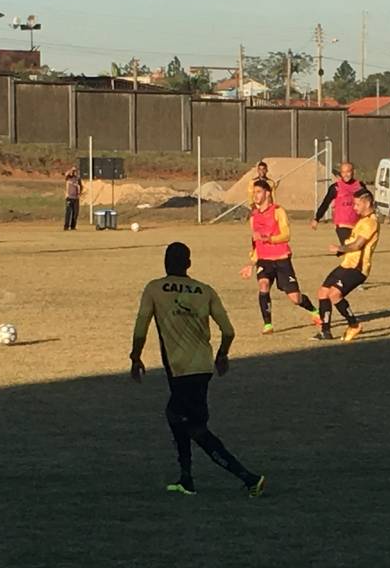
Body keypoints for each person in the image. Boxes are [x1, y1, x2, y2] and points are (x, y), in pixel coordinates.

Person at [129, 242, 266, 498]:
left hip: (180, 370)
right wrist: (222, 355)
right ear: (188, 264)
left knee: (194, 428)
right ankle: (186, 479)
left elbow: (141, 328)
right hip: (203, 367)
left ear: (165, 263)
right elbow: (228, 331)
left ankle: (248, 478)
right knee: (180, 419)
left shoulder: (154, 288)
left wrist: (135, 357)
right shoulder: (205, 290)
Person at [240, 180, 321, 334]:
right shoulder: (253, 217)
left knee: (295, 298)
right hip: (264, 260)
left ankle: (314, 311)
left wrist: (268, 238)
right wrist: (251, 264)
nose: (255, 195)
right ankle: (268, 324)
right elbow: (255, 244)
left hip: (281, 259)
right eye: (254, 192)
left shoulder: (278, 211)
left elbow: (286, 235)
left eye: (258, 192)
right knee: (263, 286)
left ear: (267, 193)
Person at [314, 189, 379, 342]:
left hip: (357, 268)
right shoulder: (362, 221)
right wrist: (342, 252)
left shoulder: (370, 222)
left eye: (357, 204)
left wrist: (340, 248)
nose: (354, 207)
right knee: (323, 292)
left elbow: (358, 245)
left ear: (367, 203)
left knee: (334, 294)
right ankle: (325, 332)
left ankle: (354, 325)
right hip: (347, 264)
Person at [311, 162, 368, 243]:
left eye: (348, 171)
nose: (346, 174)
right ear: (340, 173)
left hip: (357, 224)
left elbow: (368, 202)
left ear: (353, 172)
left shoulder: (360, 186)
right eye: (343, 172)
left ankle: (341, 251)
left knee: (357, 249)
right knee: (349, 247)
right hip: (342, 224)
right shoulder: (335, 187)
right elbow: (326, 203)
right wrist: (317, 218)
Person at [64, 166, 83, 231]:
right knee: (68, 213)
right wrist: (71, 171)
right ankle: (66, 227)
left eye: (75, 171)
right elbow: (66, 174)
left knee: (75, 213)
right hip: (69, 197)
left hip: (76, 198)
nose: (74, 172)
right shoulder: (68, 177)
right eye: (73, 171)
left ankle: (73, 226)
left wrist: (80, 193)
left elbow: (81, 186)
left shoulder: (77, 179)